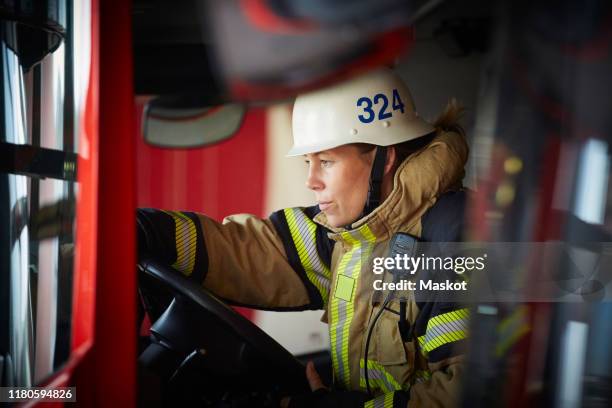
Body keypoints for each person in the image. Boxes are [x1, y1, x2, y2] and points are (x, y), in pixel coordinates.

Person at [137, 67, 470, 407]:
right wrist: (154, 233)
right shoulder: (354, 235)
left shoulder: (461, 237)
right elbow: (255, 251)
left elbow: (478, 390)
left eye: (325, 161)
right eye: (309, 161)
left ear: (383, 160)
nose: (311, 181)